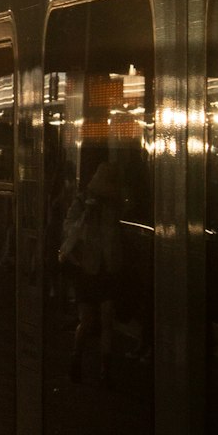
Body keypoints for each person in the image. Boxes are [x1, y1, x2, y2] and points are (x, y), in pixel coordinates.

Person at [59, 160, 123, 386]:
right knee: (88, 320)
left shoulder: (113, 205)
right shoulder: (83, 202)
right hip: (89, 267)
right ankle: (78, 359)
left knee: (104, 318)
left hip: (103, 267)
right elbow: (70, 228)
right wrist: (87, 212)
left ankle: (103, 369)